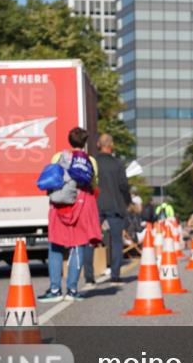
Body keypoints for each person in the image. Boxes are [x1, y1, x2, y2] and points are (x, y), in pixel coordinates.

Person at [38, 127, 102, 303]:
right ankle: (72, 290)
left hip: (60, 205)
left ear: (69, 141)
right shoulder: (90, 161)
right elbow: (94, 184)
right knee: (78, 245)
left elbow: (52, 178)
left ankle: (55, 289)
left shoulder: (58, 157)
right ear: (85, 142)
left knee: (56, 245)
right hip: (81, 204)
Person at [86, 133, 132, 286]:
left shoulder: (92, 162)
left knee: (91, 240)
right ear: (111, 145)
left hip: (96, 205)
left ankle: (89, 277)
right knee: (117, 241)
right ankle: (115, 275)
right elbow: (124, 186)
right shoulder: (118, 163)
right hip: (115, 205)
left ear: (98, 144)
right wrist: (127, 202)